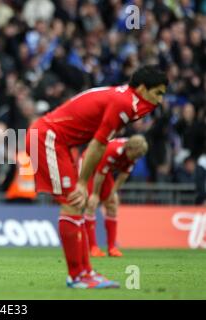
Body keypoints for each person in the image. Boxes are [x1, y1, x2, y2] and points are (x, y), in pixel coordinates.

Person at [26, 65, 167, 289]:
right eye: (157, 93)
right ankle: (78, 276)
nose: (159, 100)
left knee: (76, 205)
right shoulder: (123, 105)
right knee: (73, 203)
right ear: (142, 88)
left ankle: (86, 272)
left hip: (56, 140)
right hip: (48, 138)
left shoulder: (123, 97)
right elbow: (98, 144)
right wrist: (83, 183)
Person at [83, 135, 148, 258]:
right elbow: (99, 174)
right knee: (91, 202)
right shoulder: (113, 151)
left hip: (103, 171)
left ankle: (112, 247)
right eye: (135, 156)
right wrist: (96, 194)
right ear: (130, 149)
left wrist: (111, 193)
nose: (135, 159)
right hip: (89, 164)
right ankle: (92, 247)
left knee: (113, 203)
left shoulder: (133, 155)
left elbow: (123, 176)